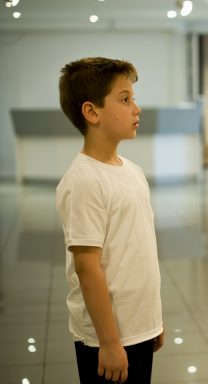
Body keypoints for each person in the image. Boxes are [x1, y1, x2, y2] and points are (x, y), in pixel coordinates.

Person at [56, 57, 164, 383]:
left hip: (138, 326)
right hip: (107, 337)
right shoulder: (84, 181)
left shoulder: (132, 172)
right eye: (125, 99)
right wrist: (109, 342)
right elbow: (88, 268)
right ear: (92, 113)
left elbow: (138, 250)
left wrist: (152, 321)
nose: (137, 109)